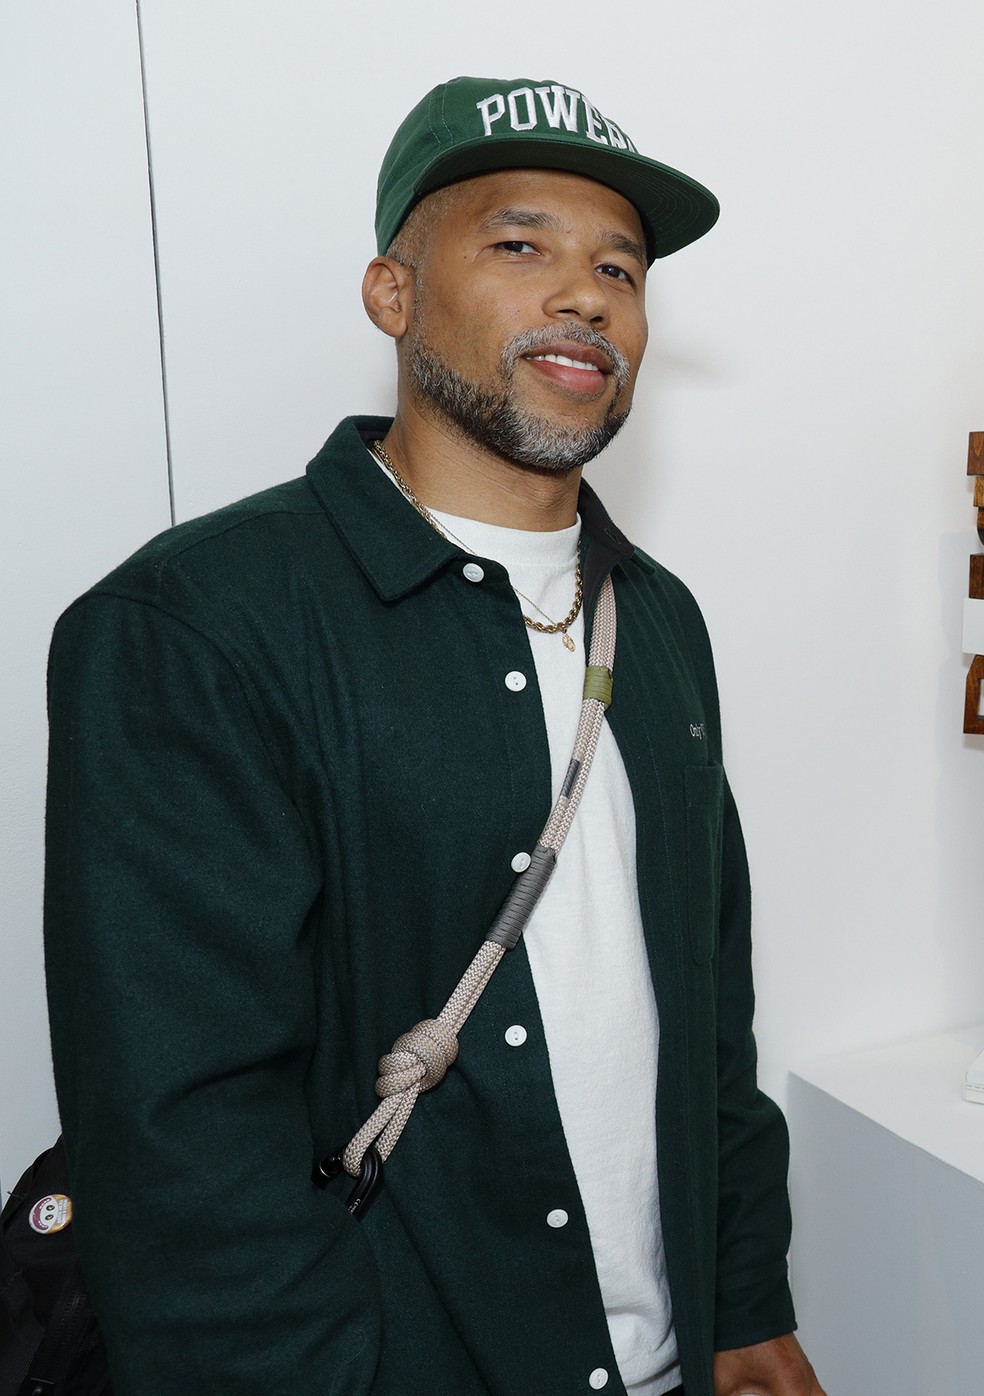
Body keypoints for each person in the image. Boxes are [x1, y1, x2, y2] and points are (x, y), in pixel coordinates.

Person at [43, 76, 823, 1396]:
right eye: (519, 245)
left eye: (619, 269)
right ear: (392, 294)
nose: (585, 297)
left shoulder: (660, 620)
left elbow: (709, 1009)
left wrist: (742, 1300)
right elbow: (180, 1143)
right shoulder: (198, 626)